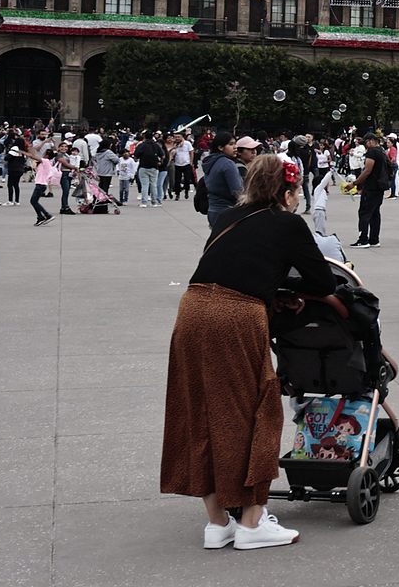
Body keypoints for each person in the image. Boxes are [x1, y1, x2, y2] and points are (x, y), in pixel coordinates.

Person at [161, 153, 341, 551]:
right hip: (235, 316)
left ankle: (216, 523)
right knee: (258, 409)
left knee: (199, 410)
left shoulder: (228, 218)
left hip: (192, 309)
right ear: (288, 190)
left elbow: (230, 264)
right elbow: (322, 279)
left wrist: (270, 287)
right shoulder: (288, 222)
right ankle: (252, 522)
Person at [201, 134, 245, 230]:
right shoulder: (228, 164)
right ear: (220, 147)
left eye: (235, 144)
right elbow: (237, 191)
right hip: (227, 211)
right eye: (231, 144)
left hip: (213, 210)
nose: (235, 147)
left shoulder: (211, 162)